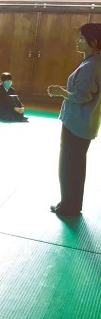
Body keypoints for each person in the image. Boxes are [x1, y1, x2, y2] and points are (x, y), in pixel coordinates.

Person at [47, 23, 101, 216]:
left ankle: (68, 206)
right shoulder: (92, 61)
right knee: (75, 166)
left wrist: (60, 92)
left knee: (69, 166)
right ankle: (71, 203)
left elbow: (82, 96)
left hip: (77, 123)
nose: (77, 41)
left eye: (81, 38)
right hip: (82, 122)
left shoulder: (91, 66)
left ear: (94, 42)